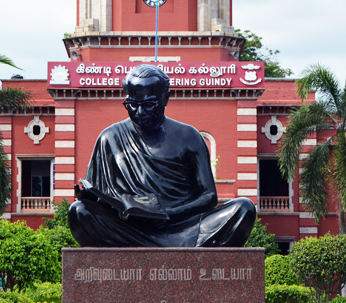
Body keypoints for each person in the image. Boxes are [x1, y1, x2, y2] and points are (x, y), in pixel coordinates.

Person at [68, 64, 256, 247]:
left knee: (243, 208)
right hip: (128, 226)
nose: (140, 112)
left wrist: (170, 214)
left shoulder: (188, 136)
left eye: (149, 104)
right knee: (79, 212)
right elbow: (98, 195)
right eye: (132, 105)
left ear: (165, 98)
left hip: (182, 226)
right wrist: (89, 196)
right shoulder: (109, 138)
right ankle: (167, 249)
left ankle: (152, 248)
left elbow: (208, 197)